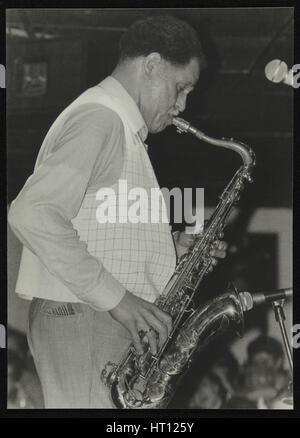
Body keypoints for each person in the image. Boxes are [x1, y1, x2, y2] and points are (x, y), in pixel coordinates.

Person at [8, 15, 227, 408]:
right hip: (87, 318)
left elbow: (98, 229)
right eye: (180, 88)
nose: (181, 106)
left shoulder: (116, 126)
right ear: (152, 65)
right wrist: (119, 300)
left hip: (93, 319)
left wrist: (173, 249)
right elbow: (31, 212)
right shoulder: (101, 119)